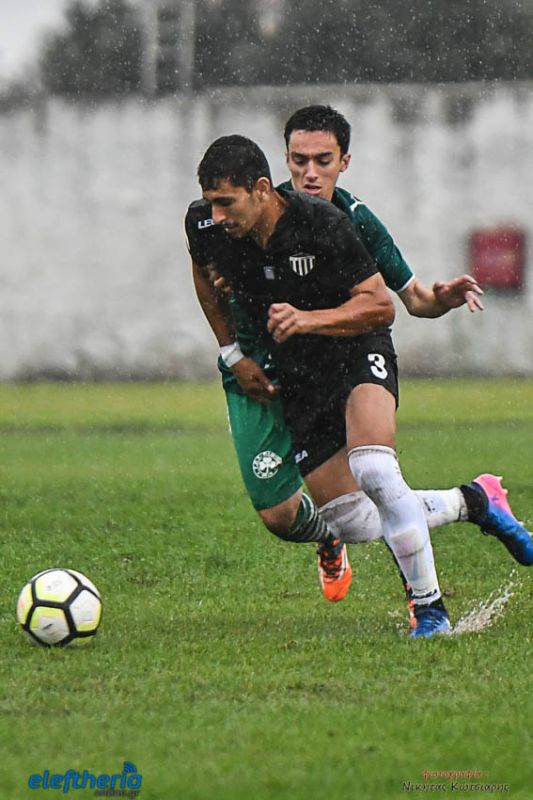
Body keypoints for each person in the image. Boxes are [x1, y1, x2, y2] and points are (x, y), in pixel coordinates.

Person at [188, 108, 533, 626]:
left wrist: (438, 299)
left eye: (322, 160)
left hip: (352, 351)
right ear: (281, 163)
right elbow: (205, 265)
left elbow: (400, 302)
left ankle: (429, 610)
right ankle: (474, 501)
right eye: (298, 160)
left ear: (344, 162)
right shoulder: (230, 223)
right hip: (289, 371)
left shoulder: (342, 221)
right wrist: (234, 351)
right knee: (335, 519)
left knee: (375, 469)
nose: (309, 172)